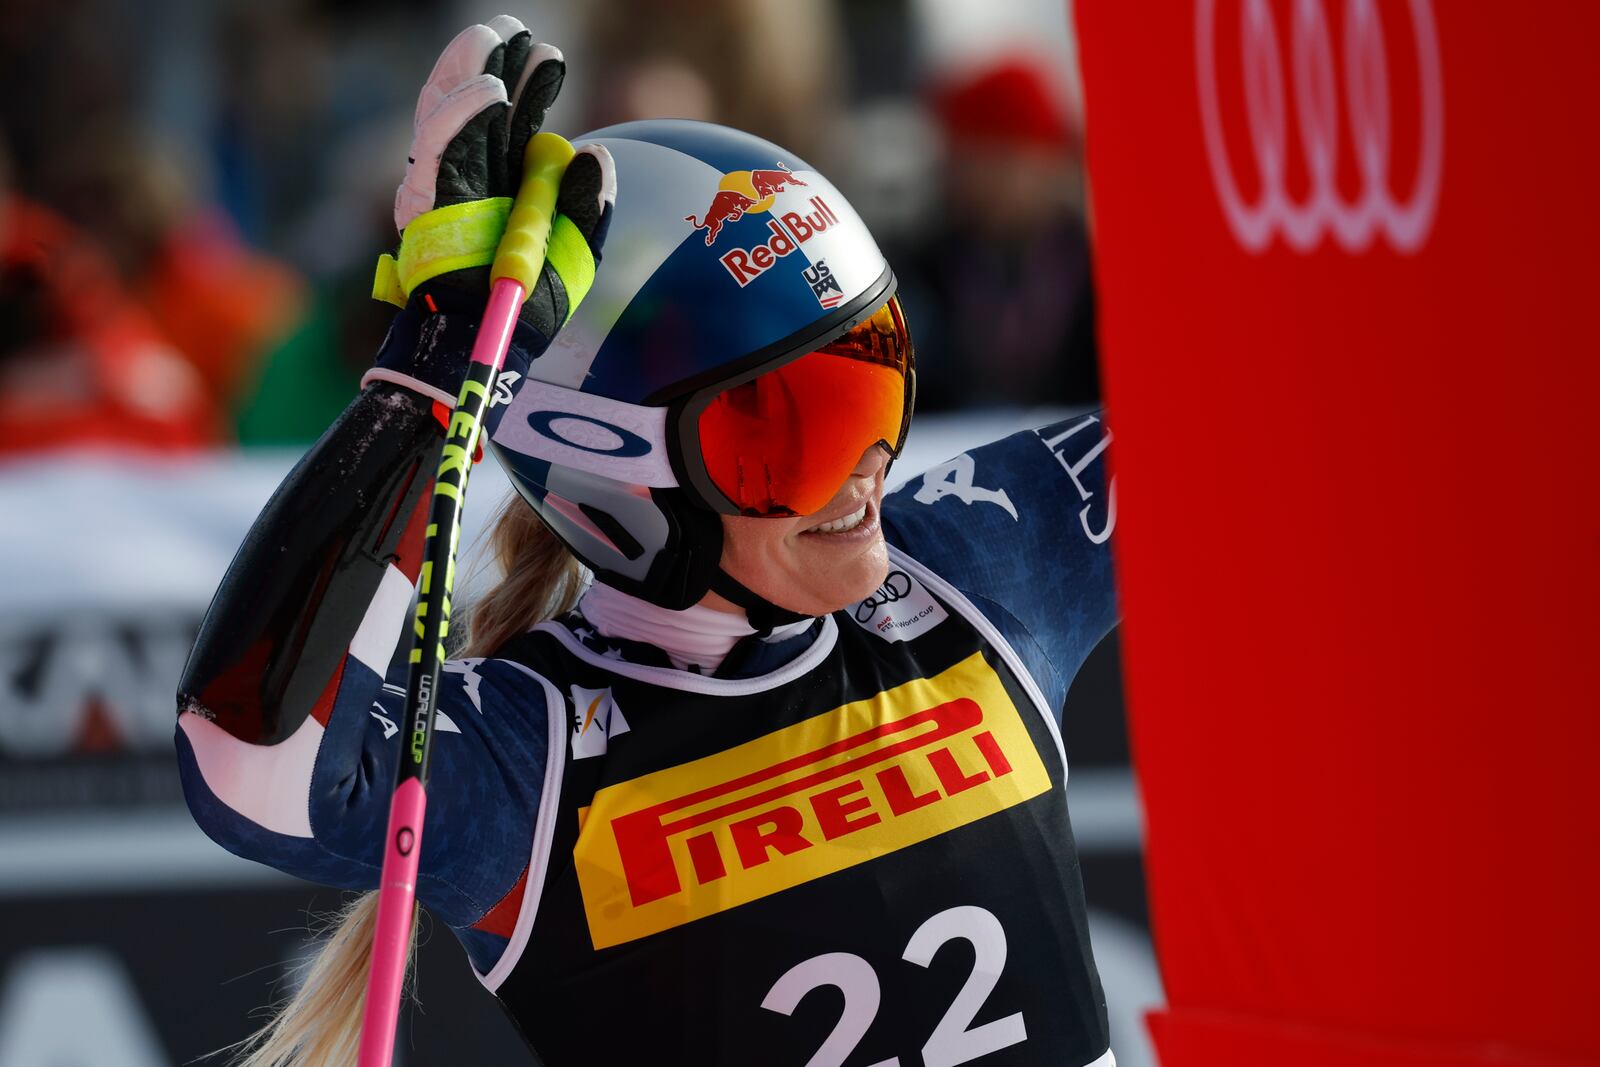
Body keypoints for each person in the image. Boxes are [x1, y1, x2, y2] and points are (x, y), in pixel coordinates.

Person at [175, 17, 1118, 1067]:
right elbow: (246, 751)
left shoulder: (969, 572)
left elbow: (1259, 408)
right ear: (612, 470)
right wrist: (435, 367)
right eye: (786, 428)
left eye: (875, 380)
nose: (865, 470)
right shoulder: (529, 765)